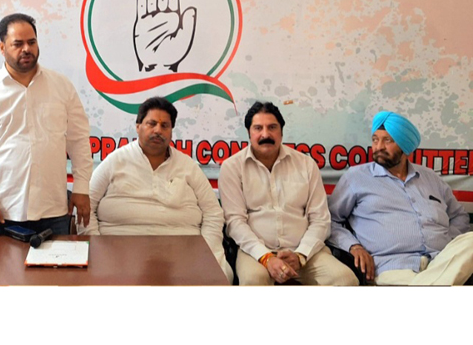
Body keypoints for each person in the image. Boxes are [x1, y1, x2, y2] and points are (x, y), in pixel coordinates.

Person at [0, 13, 93, 236]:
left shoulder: (62, 86)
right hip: (2, 212)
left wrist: (81, 188)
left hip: (54, 210)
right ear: (2, 47)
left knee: (55, 272)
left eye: (31, 42)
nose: (26, 49)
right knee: (1, 272)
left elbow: (78, 141)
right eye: (17, 44)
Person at [81, 97, 233, 282]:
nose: (158, 130)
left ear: (171, 131)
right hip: (119, 253)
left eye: (164, 126)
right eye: (151, 123)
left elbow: (213, 213)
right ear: (138, 126)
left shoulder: (187, 166)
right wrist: (98, 249)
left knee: (220, 276)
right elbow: (85, 206)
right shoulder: (115, 161)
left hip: (183, 252)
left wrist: (205, 252)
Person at [219, 101, 357, 286]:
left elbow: (320, 219)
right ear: (249, 133)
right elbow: (235, 222)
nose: (265, 134)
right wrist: (266, 257)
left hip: (306, 252)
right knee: (253, 280)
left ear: (281, 132)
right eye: (258, 128)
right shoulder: (232, 167)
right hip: (256, 252)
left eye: (272, 127)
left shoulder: (306, 164)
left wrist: (301, 255)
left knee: (345, 279)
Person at [328, 111, 473, 285]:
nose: (378, 146)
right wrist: (354, 246)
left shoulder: (430, 178)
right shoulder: (356, 177)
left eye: (387, 140)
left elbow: (459, 216)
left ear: (405, 145)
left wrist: (448, 242)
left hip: (442, 262)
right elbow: (330, 220)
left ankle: (424, 287)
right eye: (375, 139)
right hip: (393, 267)